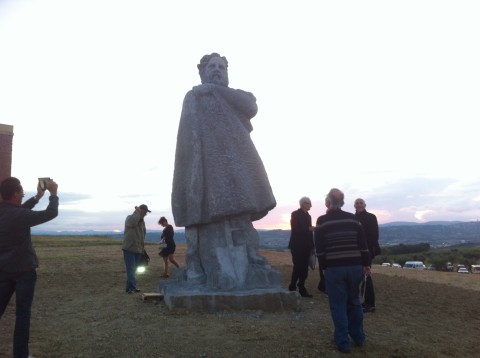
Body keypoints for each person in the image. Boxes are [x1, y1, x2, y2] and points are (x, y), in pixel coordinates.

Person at [171, 53, 277, 290]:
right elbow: (188, 139)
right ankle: (200, 267)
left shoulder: (235, 95)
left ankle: (251, 258)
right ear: (202, 71)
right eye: (212, 66)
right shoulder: (193, 97)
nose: (217, 70)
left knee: (242, 216)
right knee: (205, 220)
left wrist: (214, 90)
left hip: (239, 169)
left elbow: (251, 107)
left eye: (221, 67)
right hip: (209, 172)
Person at [0, 177, 59, 358]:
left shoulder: (6, 213)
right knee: (22, 314)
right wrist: (53, 194)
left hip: (3, 270)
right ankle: (21, 354)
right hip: (24, 271)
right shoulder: (19, 215)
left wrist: (37, 197)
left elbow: (19, 211)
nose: (22, 196)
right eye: (22, 193)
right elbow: (50, 214)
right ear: (16, 194)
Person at [314, 188, 370, 354]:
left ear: (329, 202)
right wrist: (366, 264)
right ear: (343, 202)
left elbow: (320, 248)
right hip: (355, 267)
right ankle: (359, 338)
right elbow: (363, 243)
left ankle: (343, 342)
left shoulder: (322, 220)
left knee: (338, 305)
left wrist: (324, 267)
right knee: (354, 302)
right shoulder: (353, 219)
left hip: (335, 268)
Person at [354, 198, 380, 313]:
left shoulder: (371, 217)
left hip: (367, 250)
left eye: (361, 203)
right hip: (355, 251)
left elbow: (374, 236)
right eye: (357, 203)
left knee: (366, 276)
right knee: (359, 276)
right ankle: (364, 301)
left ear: (365, 205)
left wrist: (366, 249)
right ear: (354, 206)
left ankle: (370, 304)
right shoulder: (353, 218)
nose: (359, 205)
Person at [288, 196, 315, 297]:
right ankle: (292, 286)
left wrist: (312, 246)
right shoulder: (295, 214)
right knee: (298, 267)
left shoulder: (308, 216)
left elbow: (309, 233)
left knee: (304, 268)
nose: (310, 205)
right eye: (309, 203)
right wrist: (309, 229)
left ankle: (301, 287)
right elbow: (295, 229)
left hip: (306, 246)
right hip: (297, 245)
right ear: (303, 203)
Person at [122, 204, 150, 294]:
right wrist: (137, 213)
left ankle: (129, 287)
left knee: (133, 269)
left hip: (138, 249)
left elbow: (142, 235)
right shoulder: (130, 218)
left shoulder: (142, 222)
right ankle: (132, 288)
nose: (145, 214)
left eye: (146, 213)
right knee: (131, 269)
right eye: (144, 212)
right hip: (129, 249)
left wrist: (142, 248)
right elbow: (132, 223)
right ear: (140, 211)